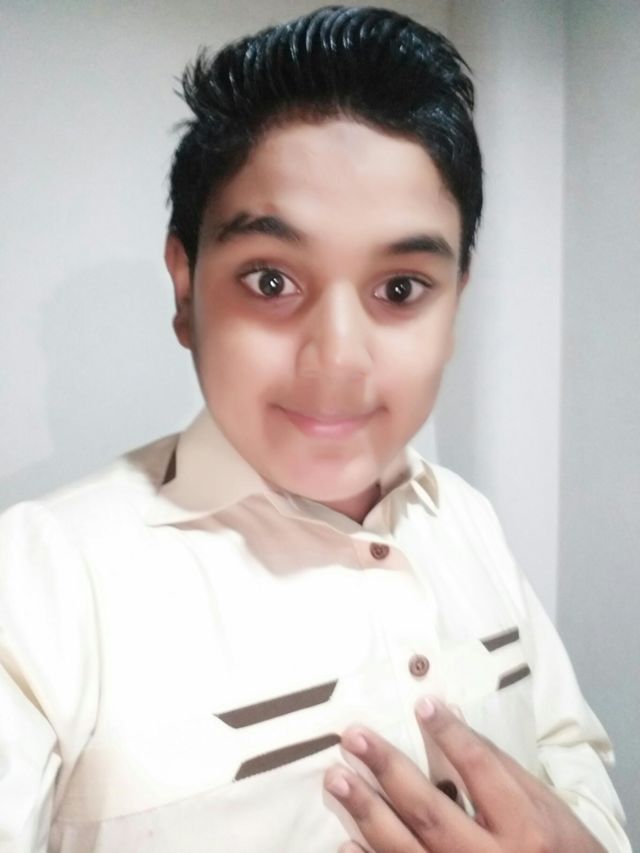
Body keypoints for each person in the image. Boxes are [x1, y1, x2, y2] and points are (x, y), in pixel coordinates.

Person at [0, 6, 631, 852]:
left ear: (456, 302)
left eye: (400, 288)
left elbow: (573, 759)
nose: (337, 360)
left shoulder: (470, 520)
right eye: (270, 280)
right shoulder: (39, 581)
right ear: (185, 289)